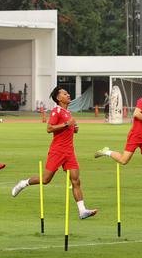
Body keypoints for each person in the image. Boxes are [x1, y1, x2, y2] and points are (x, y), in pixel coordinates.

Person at [10, 87, 98, 219]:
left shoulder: (68, 112)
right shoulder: (56, 111)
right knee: (45, 179)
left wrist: (74, 128)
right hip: (57, 151)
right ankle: (23, 183)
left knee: (76, 181)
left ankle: (82, 210)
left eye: (67, 93)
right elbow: (49, 128)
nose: (68, 95)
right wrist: (67, 124)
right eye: (65, 94)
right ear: (58, 98)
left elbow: (67, 128)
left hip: (69, 152)